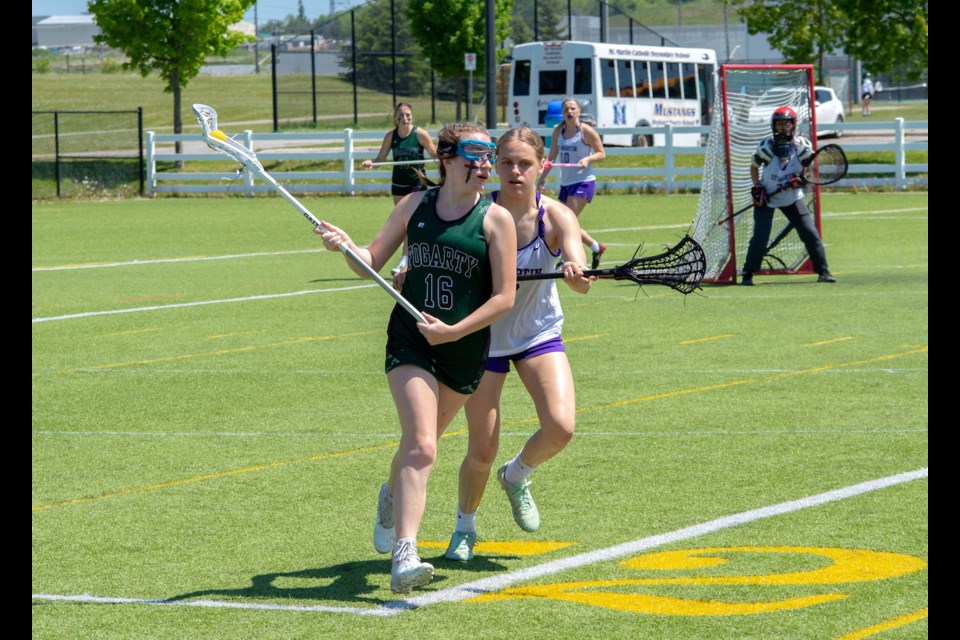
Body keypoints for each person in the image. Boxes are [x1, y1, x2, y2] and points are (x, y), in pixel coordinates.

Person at [318, 121, 517, 595]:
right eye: (477, 157)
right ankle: (407, 553)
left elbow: (504, 297)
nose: (486, 166)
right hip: (410, 341)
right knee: (423, 445)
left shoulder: (496, 220)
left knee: (417, 445)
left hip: (463, 352)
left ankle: (391, 494)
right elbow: (372, 261)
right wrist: (346, 247)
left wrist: (455, 331)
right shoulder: (414, 205)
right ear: (447, 159)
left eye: (490, 156)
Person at [444, 127, 594, 561]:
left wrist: (575, 271)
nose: (514, 171)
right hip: (482, 339)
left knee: (561, 427)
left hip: (536, 334)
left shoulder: (557, 216)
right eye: (506, 162)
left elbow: (580, 275)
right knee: (481, 447)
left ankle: (517, 475)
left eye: (524, 163)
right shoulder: (479, 212)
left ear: (542, 167)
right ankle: (464, 528)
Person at [741, 106, 836, 286]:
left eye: (787, 123)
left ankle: (823, 271)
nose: (783, 127)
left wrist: (802, 180)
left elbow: (809, 172)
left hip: (792, 198)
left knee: (810, 232)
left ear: (793, 125)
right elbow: (754, 167)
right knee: (760, 236)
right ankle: (748, 272)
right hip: (767, 198)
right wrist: (757, 187)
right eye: (779, 124)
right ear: (773, 126)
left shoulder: (802, 147)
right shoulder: (766, 147)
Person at [362, 103, 438, 275]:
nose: (405, 118)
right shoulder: (391, 136)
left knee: (412, 222)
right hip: (398, 184)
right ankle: (408, 259)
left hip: (417, 185)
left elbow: (433, 152)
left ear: (412, 116)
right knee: (403, 223)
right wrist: (371, 163)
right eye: (401, 115)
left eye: (408, 115)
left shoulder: (419, 133)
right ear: (395, 118)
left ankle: (406, 259)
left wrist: (447, 156)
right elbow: (380, 158)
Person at [537, 97, 608, 269]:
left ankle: (564, 258)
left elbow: (601, 153)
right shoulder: (558, 131)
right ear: (562, 112)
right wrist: (542, 178)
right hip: (566, 183)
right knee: (564, 221)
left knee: (565, 221)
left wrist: (588, 159)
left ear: (578, 111)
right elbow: (552, 156)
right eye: (567, 109)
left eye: (573, 109)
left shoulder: (586, 131)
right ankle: (596, 247)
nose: (570, 112)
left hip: (583, 182)